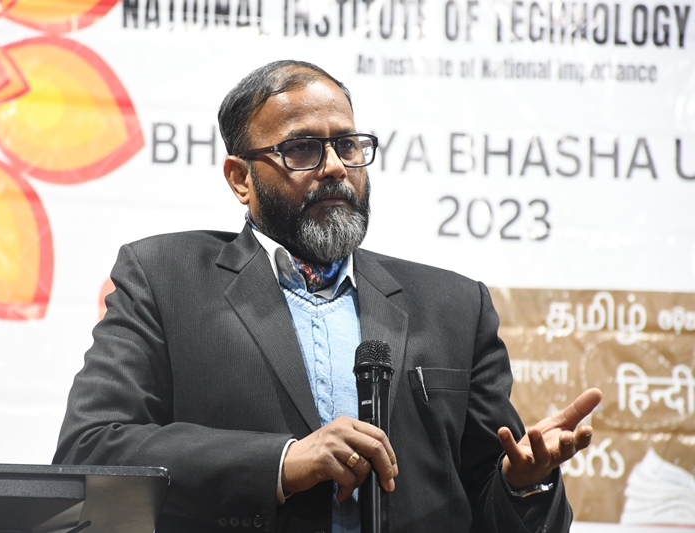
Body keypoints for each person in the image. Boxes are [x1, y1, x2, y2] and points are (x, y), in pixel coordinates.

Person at [53, 60, 602, 533]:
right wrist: (282, 463)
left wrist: (525, 484)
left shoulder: (455, 307)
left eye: (347, 144)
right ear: (241, 178)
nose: (336, 166)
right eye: (302, 149)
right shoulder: (164, 278)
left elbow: (491, 502)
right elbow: (92, 451)